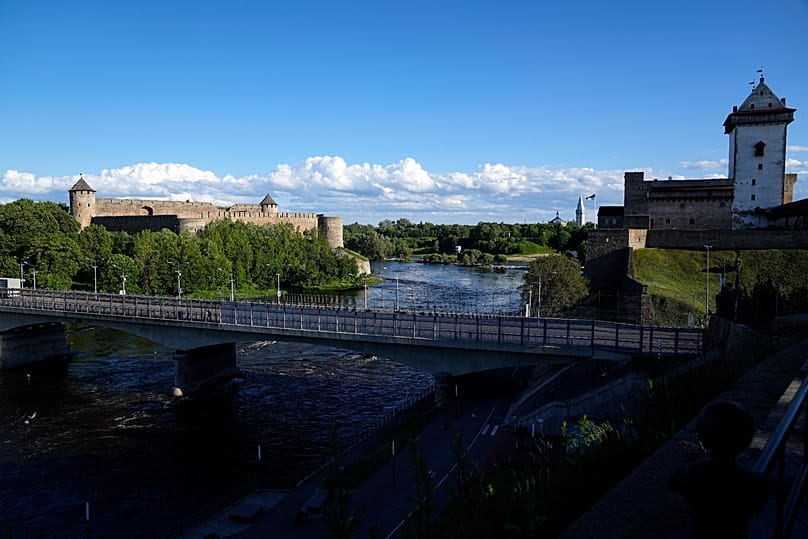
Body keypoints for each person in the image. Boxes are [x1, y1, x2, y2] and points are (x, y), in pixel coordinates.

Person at [670, 400, 767, 538]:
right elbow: (757, 503)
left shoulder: (695, 471)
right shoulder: (746, 480)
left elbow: (674, 483)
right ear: (746, 442)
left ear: (702, 440)